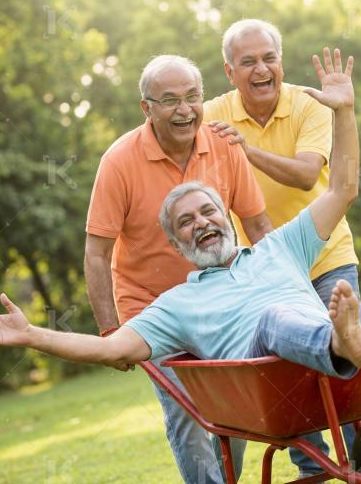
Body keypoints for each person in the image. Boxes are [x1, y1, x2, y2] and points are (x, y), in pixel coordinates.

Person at [0, 48, 361, 474]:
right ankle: (339, 343)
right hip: (274, 375)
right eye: (185, 223)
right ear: (176, 247)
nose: (202, 221)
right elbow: (108, 343)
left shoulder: (276, 247)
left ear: (224, 214)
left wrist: (345, 112)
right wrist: (31, 334)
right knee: (242, 357)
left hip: (329, 360)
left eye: (208, 211)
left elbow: (341, 189)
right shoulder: (177, 301)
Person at [83, 54, 273, 483]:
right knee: (186, 411)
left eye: (192, 97)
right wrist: (111, 333)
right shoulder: (119, 162)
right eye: (170, 100)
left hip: (218, 298)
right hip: (153, 309)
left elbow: (258, 224)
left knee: (233, 405)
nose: (185, 110)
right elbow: (97, 254)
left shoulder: (224, 144)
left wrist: (279, 284)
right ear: (146, 108)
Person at [203, 18, 361, 475]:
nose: (261, 69)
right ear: (229, 70)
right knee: (285, 368)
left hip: (324, 255)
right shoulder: (212, 112)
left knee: (345, 357)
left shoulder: (309, 104)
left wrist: (245, 150)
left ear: (281, 62)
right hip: (262, 266)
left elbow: (307, 174)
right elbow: (169, 129)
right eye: (248, 61)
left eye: (269, 58)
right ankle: (311, 466)